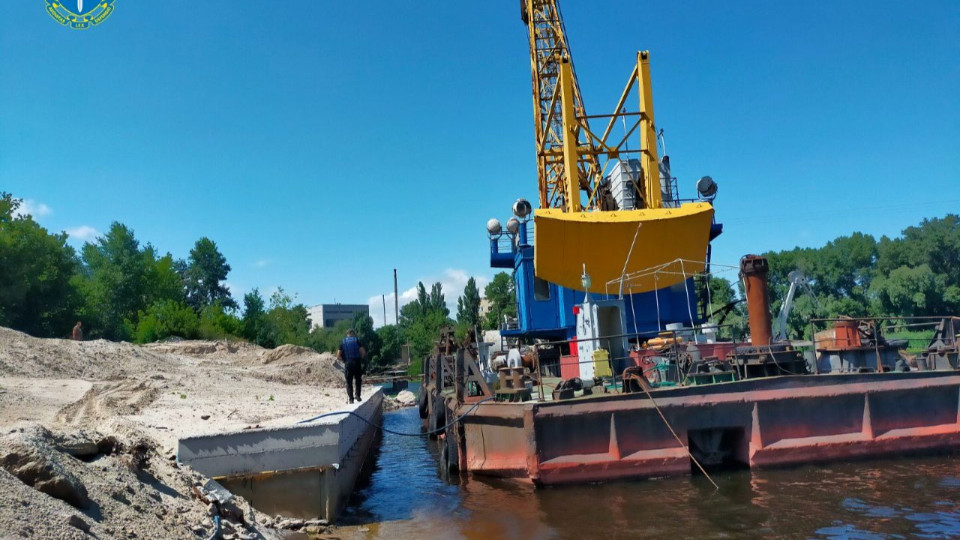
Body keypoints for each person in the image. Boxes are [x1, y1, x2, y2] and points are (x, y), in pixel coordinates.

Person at [337, 329, 366, 404]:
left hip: (348, 363)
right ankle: (358, 396)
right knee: (358, 380)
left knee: (349, 382)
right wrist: (362, 358)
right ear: (353, 334)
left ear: (347, 334)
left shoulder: (343, 342)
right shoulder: (357, 340)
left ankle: (351, 399)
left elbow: (338, 355)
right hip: (356, 362)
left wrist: (343, 360)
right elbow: (363, 352)